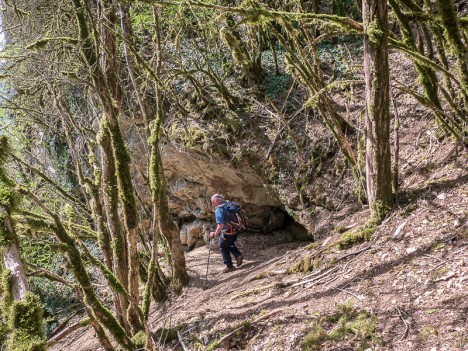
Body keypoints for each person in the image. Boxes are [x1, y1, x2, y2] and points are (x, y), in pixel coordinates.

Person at [209, 194, 243, 273]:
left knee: (222, 245)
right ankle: (238, 256)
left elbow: (220, 225)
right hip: (236, 229)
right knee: (229, 243)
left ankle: (229, 266)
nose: (212, 204)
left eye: (213, 202)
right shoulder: (229, 204)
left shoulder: (219, 209)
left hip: (227, 232)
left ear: (218, 201)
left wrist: (214, 234)